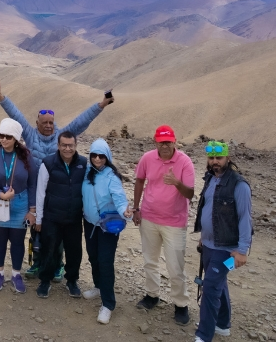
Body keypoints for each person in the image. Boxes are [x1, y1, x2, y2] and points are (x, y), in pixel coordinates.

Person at [0, 77, 113, 280]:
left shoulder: (61, 136)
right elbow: (16, 114)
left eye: (51, 122)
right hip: (36, 193)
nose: (48, 126)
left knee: (58, 235)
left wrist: (102, 104)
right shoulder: (30, 135)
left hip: (57, 193)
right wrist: (1, 97)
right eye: (44, 123)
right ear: (37, 123)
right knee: (36, 230)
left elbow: (82, 120)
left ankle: (57, 265)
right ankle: (37, 263)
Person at [131, 125, 195, 325]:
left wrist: (176, 182)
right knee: (150, 260)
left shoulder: (184, 162)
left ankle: (181, 304)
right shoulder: (147, 158)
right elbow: (139, 181)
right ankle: (152, 295)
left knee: (175, 265)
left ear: (174, 141)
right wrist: (136, 208)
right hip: (149, 217)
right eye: (161, 142)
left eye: (168, 142)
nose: (165, 146)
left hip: (174, 222)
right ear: (155, 142)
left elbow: (190, 194)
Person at [192, 141, 252, 342]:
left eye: (219, 158)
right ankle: (223, 324)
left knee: (210, 287)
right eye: (211, 158)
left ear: (228, 158)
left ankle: (203, 336)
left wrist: (242, 250)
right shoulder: (210, 178)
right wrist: (204, 236)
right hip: (209, 245)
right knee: (217, 283)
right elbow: (209, 209)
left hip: (227, 251)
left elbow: (245, 218)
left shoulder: (239, 185)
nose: (215, 162)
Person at [0, 118, 38, 294]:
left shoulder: (27, 157)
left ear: (15, 138)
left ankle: (16, 274)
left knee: (17, 241)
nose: (4, 139)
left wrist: (32, 210)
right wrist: (1, 194)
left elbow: (32, 184)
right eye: (2, 135)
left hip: (20, 204)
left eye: (8, 136)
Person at [81, 138, 131, 324]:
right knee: (93, 256)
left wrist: (125, 211)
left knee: (105, 261)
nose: (97, 159)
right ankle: (98, 286)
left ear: (107, 157)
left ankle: (108, 304)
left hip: (107, 227)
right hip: (89, 223)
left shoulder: (111, 177)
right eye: (94, 155)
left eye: (101, 156)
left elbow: (119, 199)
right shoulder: (87, 173)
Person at [35, 131, 87, 299]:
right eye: (64, 145)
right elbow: (40, 192)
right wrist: (39, 219)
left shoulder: (83, 164)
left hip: (73, 218)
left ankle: (72, 281)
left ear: (75, 145)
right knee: (49, 249)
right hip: (52, 217)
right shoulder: (48, 163)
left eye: (70, 145)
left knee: (74, 251)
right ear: (58, 146)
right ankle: (45, 281)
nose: (67, 148)